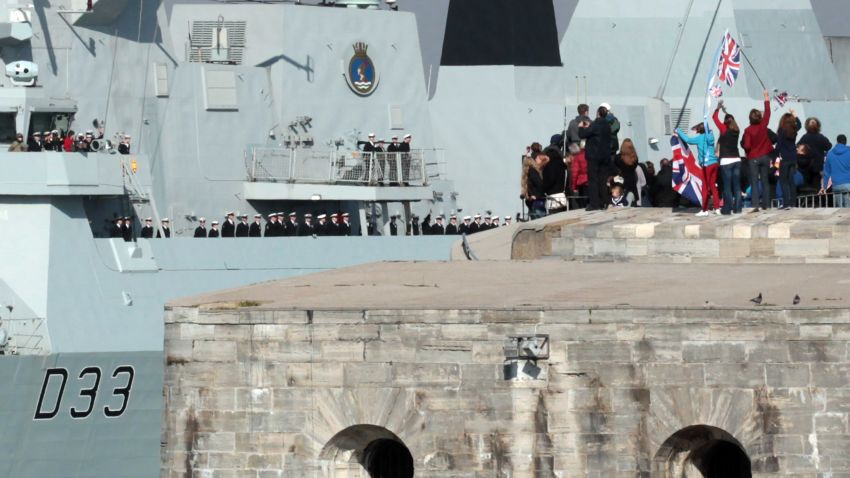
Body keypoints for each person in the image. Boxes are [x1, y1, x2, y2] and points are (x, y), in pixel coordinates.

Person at [676, 122, 720, 216]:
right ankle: (717, 208)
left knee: (705, 187)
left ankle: (704, 210)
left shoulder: (700, 138)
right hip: (714, 163)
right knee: (713, 187)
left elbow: (687, 139)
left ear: (700, 130)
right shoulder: (711, 136)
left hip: (706, 164)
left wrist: (678, 130)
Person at [742, 90, 774, 211]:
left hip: (753, 157)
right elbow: (768, 113)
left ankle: (755, 205)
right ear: (760, 118)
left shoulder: (748, 130)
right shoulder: (763, 125)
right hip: (765, 156)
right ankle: (766, 204)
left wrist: (747, 150)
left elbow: (747, 146)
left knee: (754, 182)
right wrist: (766, 98)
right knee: (765, 181)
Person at [578, 105, 613, 210]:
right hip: (605, 156)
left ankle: (594, 204)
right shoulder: (607, 125)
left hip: (594, 156)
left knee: (593, 180)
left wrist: (581, 126)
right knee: (603, 180)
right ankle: (604, 202)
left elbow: (583, 134)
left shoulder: (596, 124)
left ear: (598, 113)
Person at [713, 101, 743, 214]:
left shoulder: (724, 129)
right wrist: (726, 112)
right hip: (737, 160)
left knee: (727, 186)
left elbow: (714, 118)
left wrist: (718, 108)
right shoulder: (737, 129)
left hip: (726, 161)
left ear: (725, 122)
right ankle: (738, 208)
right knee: (737, 186)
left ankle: (727, 209)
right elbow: (731, 120)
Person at [775, 110, 802, 209]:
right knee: (791, 181)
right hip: (793, 158)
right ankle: (793, 203)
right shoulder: (794, 130)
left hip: (785, 158)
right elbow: (799, 125)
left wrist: (775, 156)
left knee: (783, 181)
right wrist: (795, 116)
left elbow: (779, 145)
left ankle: (786, 203)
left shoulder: (782, 130)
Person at [797, 117, 832, 192]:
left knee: (806, 187)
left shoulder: (804, 137)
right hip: (818, 167)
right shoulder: (821, 137)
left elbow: (798, 148)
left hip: (806, 167)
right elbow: (829, 146)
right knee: (817, 187)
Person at [822, 135, 850, 207]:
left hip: (836, 185)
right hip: (848, 184)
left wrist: (824, 187)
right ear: (845, 142)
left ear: (837, 142)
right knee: (848, 210)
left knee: (839, 210)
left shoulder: (830, 153)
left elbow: (826, 172)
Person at [543, 135, 567, 213]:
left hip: (550, 195)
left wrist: (544, 188)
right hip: (560, 194)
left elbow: (549, 178)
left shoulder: (545, 159)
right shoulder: (560, 159)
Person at [614, 139, 640, 205]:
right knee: (633, 202)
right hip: (632, 181)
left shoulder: (618, 158)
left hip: (621, 180)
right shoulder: (635, 158)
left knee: (621, 201)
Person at [568, 142, 588, 209]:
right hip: (591, 179)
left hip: (582, 181)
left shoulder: (577, 158)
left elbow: (574, 173)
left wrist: (574, 187)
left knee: (583, 202)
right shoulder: (589, 154)